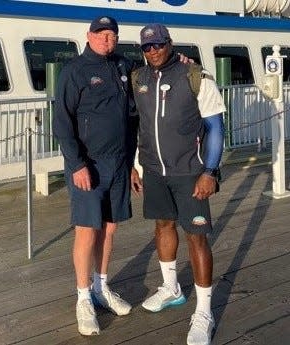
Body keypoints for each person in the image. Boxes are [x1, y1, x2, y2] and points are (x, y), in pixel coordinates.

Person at [130, 23, 226, 345]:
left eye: (158, 44)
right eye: (147, 47)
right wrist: (135, 166)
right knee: (162, 225)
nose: (153, 51)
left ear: (169, 43)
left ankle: (204, 312)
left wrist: (210, 171)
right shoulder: (138, 79)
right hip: (154, 171)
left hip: (190, 171)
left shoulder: (195, 76)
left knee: (197, 237)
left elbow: (215, 128)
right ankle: (171, 288)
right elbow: (141, 127)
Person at [53, 16, 138, 336]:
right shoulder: (74, 71)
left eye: (112, 34)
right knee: (87, 231)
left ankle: (103, 287)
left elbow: (133, 114)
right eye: (101, 34)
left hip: (118, 163)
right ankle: (83, 298)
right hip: (88, 165)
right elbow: (62, 122)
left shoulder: (123, 66)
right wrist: (76, 165)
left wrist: (131, 164)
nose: (107, 39)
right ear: (88, 36)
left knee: (110, 228)